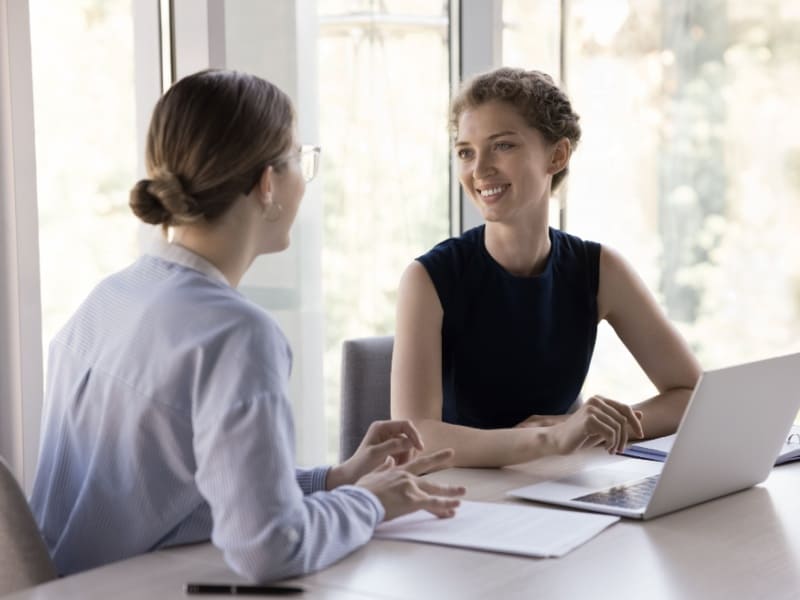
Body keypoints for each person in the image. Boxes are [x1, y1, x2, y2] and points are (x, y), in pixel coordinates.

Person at [30, 69, 464, 581]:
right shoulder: (236, 335)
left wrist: (334, 480)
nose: (305, 179)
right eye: (298, 158)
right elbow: (270, 549)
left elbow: (177, 495)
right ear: (267, 184)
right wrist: (369, 501)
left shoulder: (111, 297)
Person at [391, 67, 702, 468]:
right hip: (455, 494)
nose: (479, 169)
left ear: (557, 155)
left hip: (553, 485)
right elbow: (415, 438)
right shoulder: (427, 279)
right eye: (466, 152)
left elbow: (692, 394)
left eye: (502, 146)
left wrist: (591, 427)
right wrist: (550, 439)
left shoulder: (600, 270)